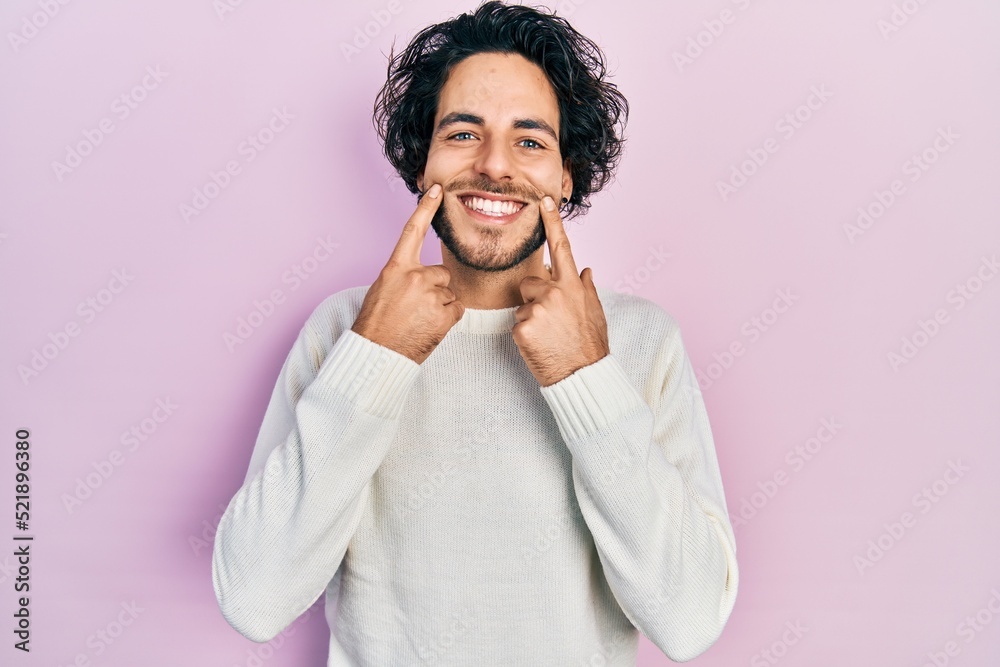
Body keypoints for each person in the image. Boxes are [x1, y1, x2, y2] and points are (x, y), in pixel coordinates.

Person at [212, 2, 738, 664]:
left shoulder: (640, 338)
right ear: (422, 161)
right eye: (463, 133)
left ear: (566, 174)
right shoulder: (345, 328)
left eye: (530, 141)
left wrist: (587, 378)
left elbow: (690, 621)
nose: (494, 166)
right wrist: (374, 357)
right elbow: (254, 601)